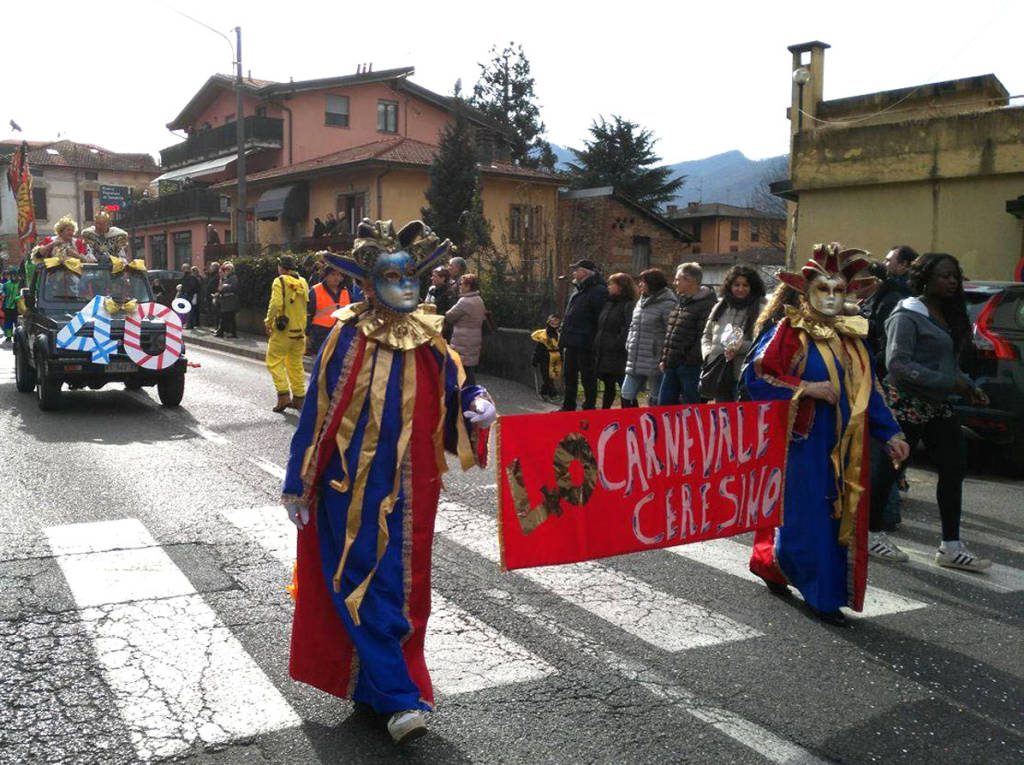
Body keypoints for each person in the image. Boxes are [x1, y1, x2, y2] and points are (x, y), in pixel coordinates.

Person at [280, 219, 496, 744]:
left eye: (410, 278)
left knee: (406, 591)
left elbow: (456, 386)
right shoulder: (347, 337)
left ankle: (377, 689)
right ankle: (401, 699)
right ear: (369, 284)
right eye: (393, 278)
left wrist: (475, 404)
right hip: (348, 490)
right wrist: (298, 483)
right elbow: (318, 412)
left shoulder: (429, 338)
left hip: (416, 491)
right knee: (362, 586)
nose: (406, 287)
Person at [744, 243, 909, 625]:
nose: (833, 298)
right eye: (824, 289)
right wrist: (806, 388)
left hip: (849, 446)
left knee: (841, 518)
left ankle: (773, 566)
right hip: (802, 443)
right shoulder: (789, 331)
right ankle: (821, 596)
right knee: (807, 517)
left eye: (840, 290)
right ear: (806, 292)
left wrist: (891, 434)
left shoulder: (854, 337)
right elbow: (757, 377)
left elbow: (871, 391)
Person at [868, 252, 992, 571]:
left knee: (954, 468)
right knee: (891, 470)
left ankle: (950, 546)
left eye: (955, 275)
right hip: (906, 402)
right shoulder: (906, 313)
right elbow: (897, 363)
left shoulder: (949, 314)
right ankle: (870, 534)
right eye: (944, 275)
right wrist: (947, 382)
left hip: (937, 405)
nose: (952, 281)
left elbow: (947, 364)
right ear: (926, 279)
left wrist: (966, 386)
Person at [700, 265, 767, 402]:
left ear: (753, 287)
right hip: (719, 373)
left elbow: (764, 343)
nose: (740, 289)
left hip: (745, 376)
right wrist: (708, 355)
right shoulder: (720, 306)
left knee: (743, 419)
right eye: (736, 285)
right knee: (723, 418)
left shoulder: (761, 310)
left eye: (745, 285)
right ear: (729, 286)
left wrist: (738, 347)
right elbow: (706, 336)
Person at [658, 262, 716, 405]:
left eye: (678, 279)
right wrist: (665, 358)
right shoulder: (681, 303)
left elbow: (704, 336)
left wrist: (688, 361)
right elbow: (671, 333)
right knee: (664, 406)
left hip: (690, 368)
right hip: (671, 365)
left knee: (691, 407)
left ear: (691, 281)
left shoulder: (707, 305)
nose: (674, 283)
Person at [558, 259, 608, 411]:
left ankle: (589, 406)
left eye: (576, 270)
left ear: (585, 272)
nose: (574, 272)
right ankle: (568, 405)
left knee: (587, 377)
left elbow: (600, 318)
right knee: (569, 376)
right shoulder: (578, 289)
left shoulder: (598, 291)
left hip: (586, 342)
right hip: (571, 340)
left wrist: (594, 340)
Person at [621, 268, 675, 407]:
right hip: (636, 356)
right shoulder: (641, 302)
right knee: (626, 394)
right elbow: (633, 326)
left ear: (652, 283)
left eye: (643, 282)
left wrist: (663, 354)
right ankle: (632, 424)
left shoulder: (667, 303)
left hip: (654, 358)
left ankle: (654, 425)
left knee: (655, 398)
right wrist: (629, 343)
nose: (640, 285)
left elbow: (671, 331)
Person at [265, 255, 310, 412]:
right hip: (300, 331)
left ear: (281, 267)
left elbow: (276, 304)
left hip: (283, 332)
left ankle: (283, 396)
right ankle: (299, 399)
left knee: (274, 361)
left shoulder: (280, 281)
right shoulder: (303, 282)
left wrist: (268, 322)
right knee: (296, 365)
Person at [863, 245, 918, 374]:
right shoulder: (891, 289)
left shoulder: (896, 295)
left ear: (903, 264)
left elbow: (885, 339)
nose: (884, 264)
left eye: (888, 260)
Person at [593, 273, 637, 408]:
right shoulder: (609, 303)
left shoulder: (628, 305)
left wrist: (616, 344)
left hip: (619, 354)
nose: (608, 287)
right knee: (608, 386)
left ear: (621, 287)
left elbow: (628, 327)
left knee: (624, 387)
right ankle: (605, 414)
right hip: (604, 352)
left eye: (611, 284)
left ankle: (629, 415)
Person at [445, 273, 487, 386]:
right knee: (468, 369)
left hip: (462, 341)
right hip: (474, 339)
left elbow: (449, 316)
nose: (459, 287)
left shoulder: (464, 301)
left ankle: (466, 396)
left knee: (462, 370)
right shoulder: (479, 300)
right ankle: (471, 393)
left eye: (461, 284)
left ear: (468, 286)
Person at [306, 259, 351, 356]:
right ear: (325, 276)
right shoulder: (315, 291)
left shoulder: (346, 292)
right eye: (333, 274)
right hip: (320, 334)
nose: (337, 278)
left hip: (340, 333)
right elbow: (308, 314)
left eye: (339, 275)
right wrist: (307, 334)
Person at [531, 315, 562, 401]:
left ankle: (543, 392)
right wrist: (535, 360)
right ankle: (553, 394)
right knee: (547, 377)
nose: (554, 323)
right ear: (548, 322)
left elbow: (561, 348)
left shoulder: (558, 335)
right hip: (544, 359)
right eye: (553, 321)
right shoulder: (543, 336)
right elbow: (539, 349)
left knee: (551, 378)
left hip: (555, 359)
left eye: (556, 321)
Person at [214, 262, 239, 338]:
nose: (226, 271)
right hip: (225, 300)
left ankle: (227, 333)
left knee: (228, 317)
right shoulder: (226, 278)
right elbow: (220, 288)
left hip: (230, 301)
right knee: (225, 317)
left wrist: (226, 286)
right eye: (225, 269)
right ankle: (223, 332)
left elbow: (234, 288)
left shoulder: (233, 278)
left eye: (228, 269)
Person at [178, 265, 203, 329]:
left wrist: (186, 292)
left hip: (189, 295)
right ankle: (189, 324)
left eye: (183, 269)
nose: (182, 270)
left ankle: (189, 324)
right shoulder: (191, 277)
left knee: (189, 310)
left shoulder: (189, 277)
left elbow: (191, 287)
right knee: (189, 310)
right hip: (189, 295)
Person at [2, 267, 20, 342]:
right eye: (11, 275)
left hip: (18, 307)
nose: (13, 276)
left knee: (18, 323)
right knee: (8, 323)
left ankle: (18, 336)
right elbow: (2, 293)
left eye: (14, 275)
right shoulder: (6, 285)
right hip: (8, 307)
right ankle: (8, 336)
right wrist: (3, 294)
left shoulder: (21, 283)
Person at [204, 261, 221, 328]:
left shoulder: (217, 276)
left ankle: (215, 325)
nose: (210, 268)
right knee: (209, 310)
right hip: (209, 295)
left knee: (215, 311)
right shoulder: (211, 275)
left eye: (211, 266)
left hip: (213, 296)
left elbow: (214, 286)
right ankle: (211, 323)